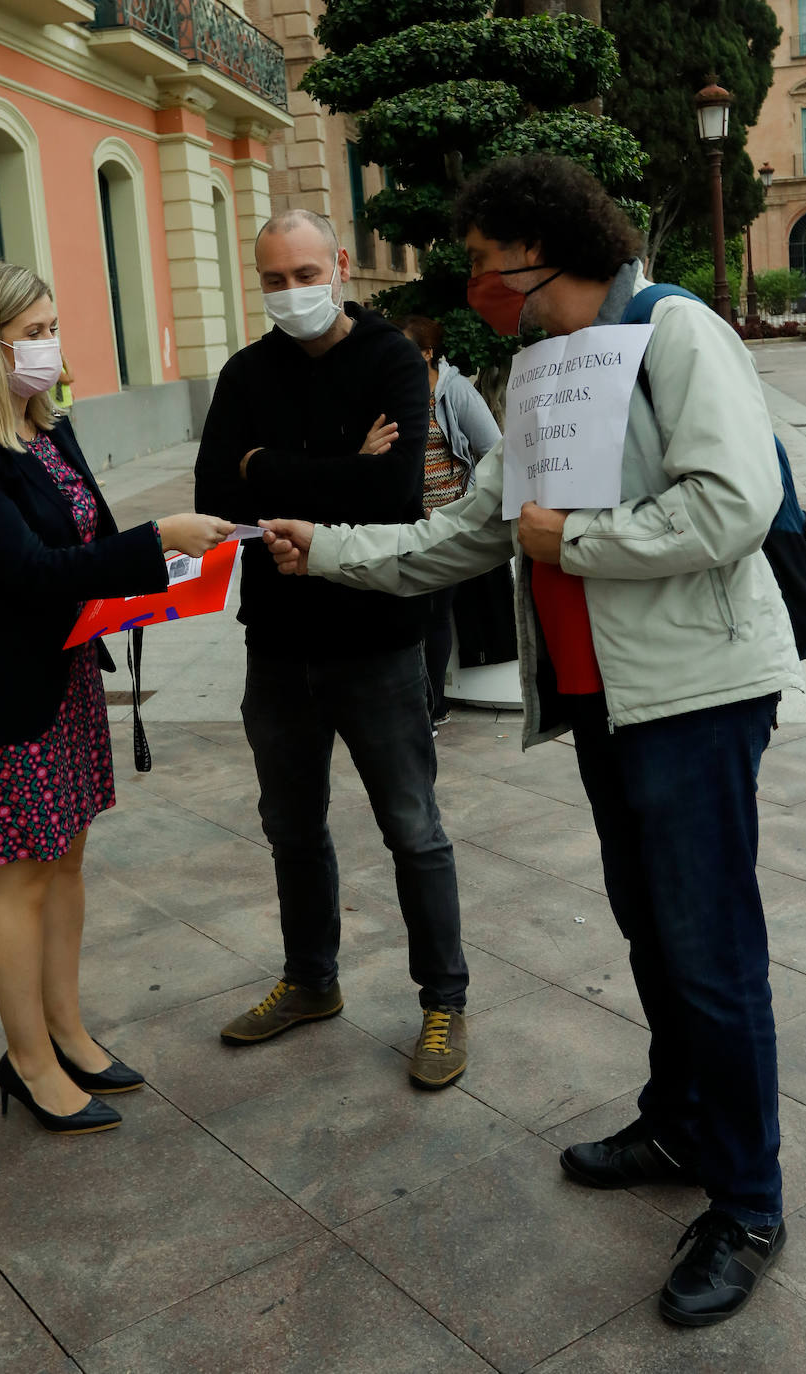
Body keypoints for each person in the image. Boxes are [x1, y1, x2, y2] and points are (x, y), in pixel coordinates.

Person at [258, 156, 802, 1326]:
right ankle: (679, 1123)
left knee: (709, 950)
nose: (478, 287)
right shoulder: (546, 366)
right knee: (652, 930)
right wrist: (333, 547)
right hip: (604, 698)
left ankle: (749, 1201)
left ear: (545, 252)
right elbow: (472, 529)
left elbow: (732, 504)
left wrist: (577, 540)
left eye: (486, 265)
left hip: (694, 695)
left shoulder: (678, 334)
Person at [0, 260, 234, 1135]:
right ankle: (26, 1063)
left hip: (66, 684)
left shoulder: (49, 433)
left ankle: (67, 1032)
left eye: (53, 328)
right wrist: (153, 539)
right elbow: (29, 573)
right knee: (17, 877)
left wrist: (170, 571)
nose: (51, 348)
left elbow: (85, 544)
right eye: (33, 333)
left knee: (66, 864)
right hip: (1, 699)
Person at [194, 209, 468, 1088]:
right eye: (274, 279)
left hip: (379, 639)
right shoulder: (244, 371)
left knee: (413, 828)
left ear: (340, 266)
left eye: (306, 274)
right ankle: (312, 981)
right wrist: (335, 470)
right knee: (291, 828)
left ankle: (444, 1002)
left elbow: (394, 495)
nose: (292, 293)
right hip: (276, 642)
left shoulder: (390, 358)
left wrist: (266, 466)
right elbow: (211, 492)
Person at [394, 316, 501, 732]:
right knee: (411, 612)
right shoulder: (395, 390)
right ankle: (418, 704)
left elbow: (491, 449)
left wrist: (465, 506)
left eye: (404, 346)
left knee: (434, 614)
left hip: (447, 524)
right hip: (405, 523)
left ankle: (432, 709)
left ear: (426, 353)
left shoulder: (453, 390)